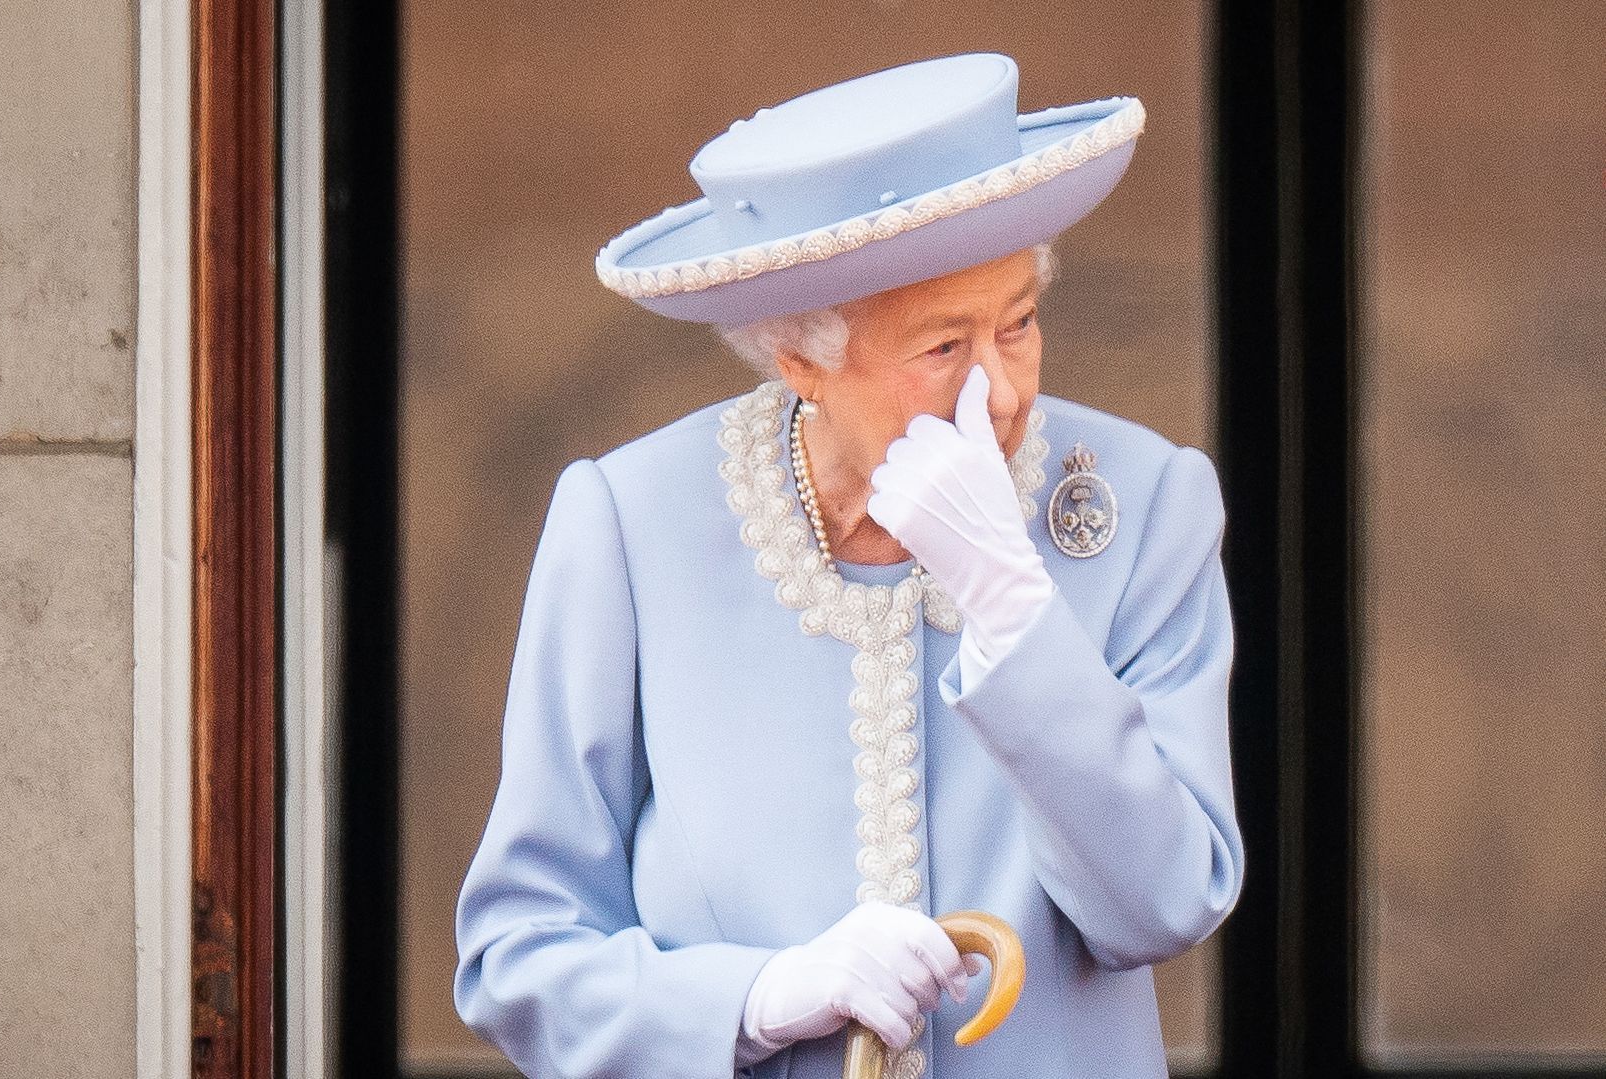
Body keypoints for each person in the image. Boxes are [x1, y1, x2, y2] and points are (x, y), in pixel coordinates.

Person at [454, 52, 1244, 1079]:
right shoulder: (631, 524)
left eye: (1019, 323)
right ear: (801, 358)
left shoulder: (1143, 505)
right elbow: (518, 958)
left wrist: (1015, 606)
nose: (1000, 393)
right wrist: (756, 997)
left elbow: (1167, 899)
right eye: (943, 349)